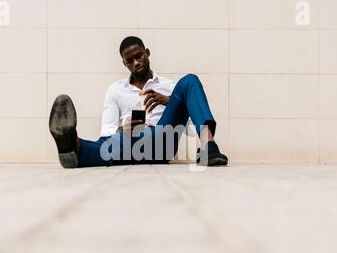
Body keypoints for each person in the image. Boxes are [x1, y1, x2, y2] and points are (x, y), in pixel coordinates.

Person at [49, 36, 229, 168]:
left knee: (189, 80)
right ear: (124, 64)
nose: (136, 63)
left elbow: (189, 129)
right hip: (127, 143)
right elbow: (106, 130)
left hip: (161, 140)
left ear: (147, 53)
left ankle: (209, 146)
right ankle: (71, 146)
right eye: (129, 61)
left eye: (139, 56)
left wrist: (169, 102)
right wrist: (121, 129)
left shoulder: (171, 87)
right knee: (108, 145)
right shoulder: (115, 90)